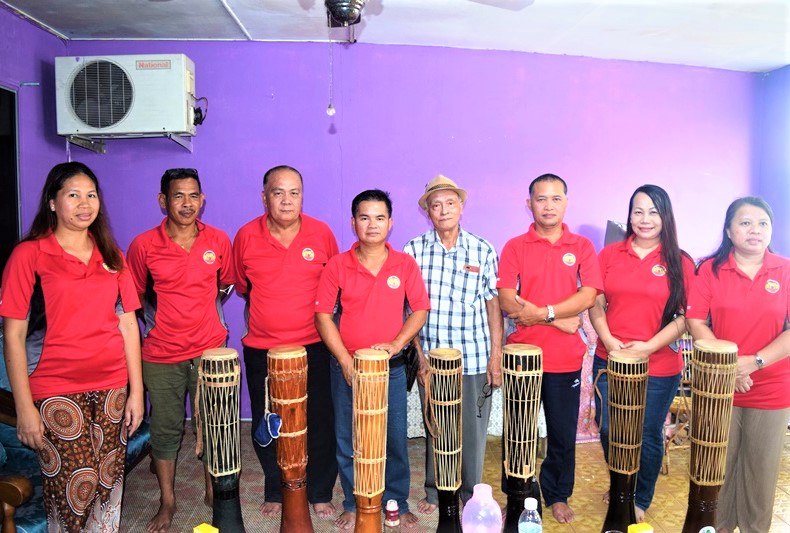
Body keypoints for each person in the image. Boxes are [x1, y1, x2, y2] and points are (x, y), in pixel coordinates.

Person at [0, 162, 144, 532]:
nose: (85, 203)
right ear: (52, 202)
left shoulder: (112, 256)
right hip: (55, 388)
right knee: (74, 487)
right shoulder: (29, 256)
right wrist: (24, 407)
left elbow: (128, 324)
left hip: (111, 386)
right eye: (73, 195)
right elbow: (13, 335)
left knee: (108, 483)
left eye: (91, 195)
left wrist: (136, 392)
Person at [126, 168, 235, 532]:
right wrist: (159, 321)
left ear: (202, 200)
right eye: (178, 196)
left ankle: (212, 490)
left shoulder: (218, 240)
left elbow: (226, 283)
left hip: (210, 351)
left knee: (214, 424)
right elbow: (133, 296)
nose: (187, 204)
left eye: (193, 196)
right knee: (166, 428)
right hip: (161, 353)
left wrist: (205, 316)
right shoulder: (143, 245)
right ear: (163, 201)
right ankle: (168, 501)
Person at [315, 189, 430, 530]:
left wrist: (396, 344)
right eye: (364, 217)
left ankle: (396, 501)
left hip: (390, 370)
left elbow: (420, 310)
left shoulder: (404, 264)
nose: (372, 224)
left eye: (380, 218)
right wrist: (344, 360)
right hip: (346, 367)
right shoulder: (338, 264)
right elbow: (323, 316)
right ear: (354, 222)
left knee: (394, 439)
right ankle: (353, 503)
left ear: (390, 223)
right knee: (347, 438)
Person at [233, 165, 339, 519]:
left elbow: (333, 286)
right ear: (264, 197)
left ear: (302, 196)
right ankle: (275, 488)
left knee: (320, 420)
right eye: (278, 193)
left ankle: (320, 490)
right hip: (263, 349)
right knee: (269, 422)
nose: (287, 200)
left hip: (314, 345)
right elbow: (244, 286)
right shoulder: (246, 235)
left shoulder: (321, 233)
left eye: (294, 193)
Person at [497, 173, 603, 524]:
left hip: (564, 359)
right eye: (541, 199)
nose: (548, 205)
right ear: (529, 204)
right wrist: (556, 320)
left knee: (561, 434)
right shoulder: (515, 246)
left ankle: (557, 495)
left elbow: (588, 296)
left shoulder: (582, 246)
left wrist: (542, 314)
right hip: (522, 358)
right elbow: (507, 301)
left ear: (566, 203)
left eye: (556, 198)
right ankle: (518, 496)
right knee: (519, 433)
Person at [588, 184, 694, 522]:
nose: (645, 219)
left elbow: (685, 317)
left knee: (647, 433)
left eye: (653, 212)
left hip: (659, 365)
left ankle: (640, 497)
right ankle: (622, 485)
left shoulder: (680, 261)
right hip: (611, 359)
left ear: (666, 216)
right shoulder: (609, 255)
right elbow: (595, 302)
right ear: (629, 215)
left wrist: (649, 347)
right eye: (638, 211)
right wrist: (608, 340)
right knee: (609, 429)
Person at [687, 196, 790, 533]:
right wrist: (730, 366)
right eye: (745, 223)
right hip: (719, 386)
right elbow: (696, 322)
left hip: (771, 388)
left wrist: (754, 363)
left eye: (762, 223)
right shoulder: (709, 270)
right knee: (716, 470)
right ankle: (717, 528)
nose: (754, 230)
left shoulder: (786, 270)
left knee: (761, 474)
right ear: (729, 231)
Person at [403, 175, 503, 512]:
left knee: (472, 432)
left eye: (450, 203)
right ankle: (437, 492)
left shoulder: (482, 249)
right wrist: (419, 358)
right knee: (437, 426)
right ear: (428, 212)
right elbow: (408, 308)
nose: (443, 210)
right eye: (436, 205)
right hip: (433, 358)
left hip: (474, 355)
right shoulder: (413, 250)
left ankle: (471, 493)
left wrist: (495, 356)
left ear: (461, 207)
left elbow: (493, 305)